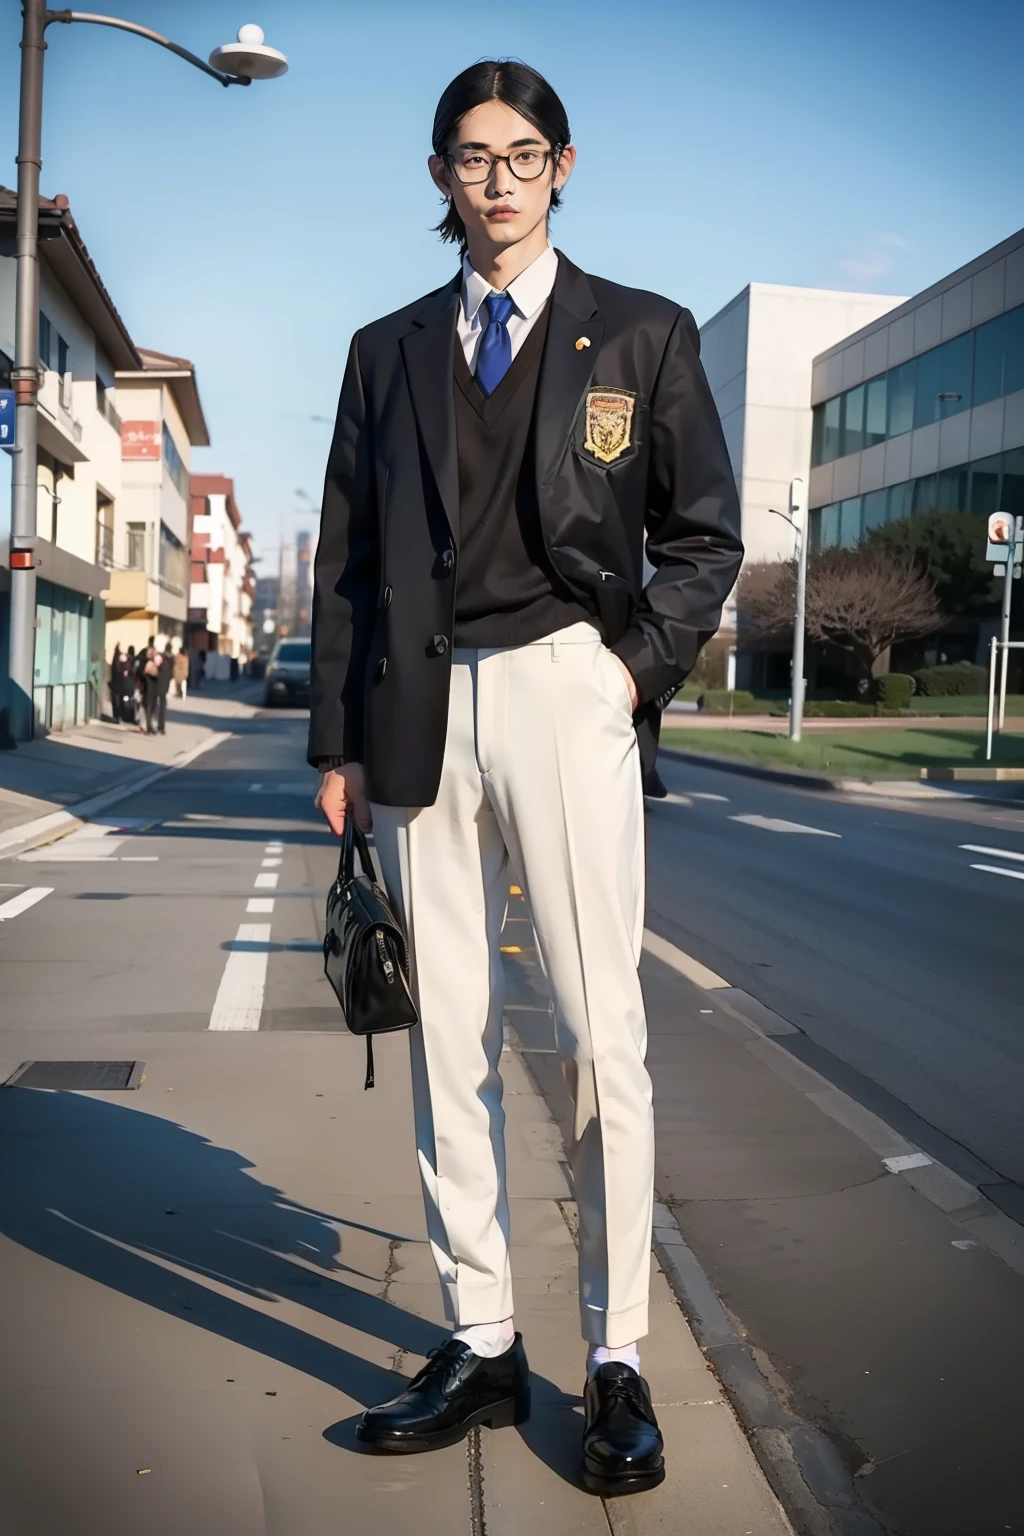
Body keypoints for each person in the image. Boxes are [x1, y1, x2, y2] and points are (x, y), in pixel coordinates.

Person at [309, 61, 742, 1494]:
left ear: (563, 167)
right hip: (422, 714)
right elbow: (351, 562)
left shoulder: (647, 336)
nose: (496, 178)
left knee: (601, 1035)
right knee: (449, 1045)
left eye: (521, 154)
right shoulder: (385, 351)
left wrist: (629, 676)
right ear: (439, 178)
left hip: (569, 686)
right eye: (469, 157)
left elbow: (703, 540)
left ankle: (616, 1359)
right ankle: (482, 1337)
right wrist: (340, 745)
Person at [139, 645, 161, 735]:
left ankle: (150, 727)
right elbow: (142, 674)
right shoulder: (146, 662)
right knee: (148, 708)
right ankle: (149, 727)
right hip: (148, 689)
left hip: (152, 689)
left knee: (151, 709)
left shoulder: (156, 664)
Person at [155, 643, 173, 734]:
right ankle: (161, 727)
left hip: (157, 683)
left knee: (155, 706)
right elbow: (171, 673)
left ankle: (156, 725)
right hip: (165, 685)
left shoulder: (161, 657)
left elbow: (157, 668)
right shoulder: (171, 659)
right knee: (162, 707)